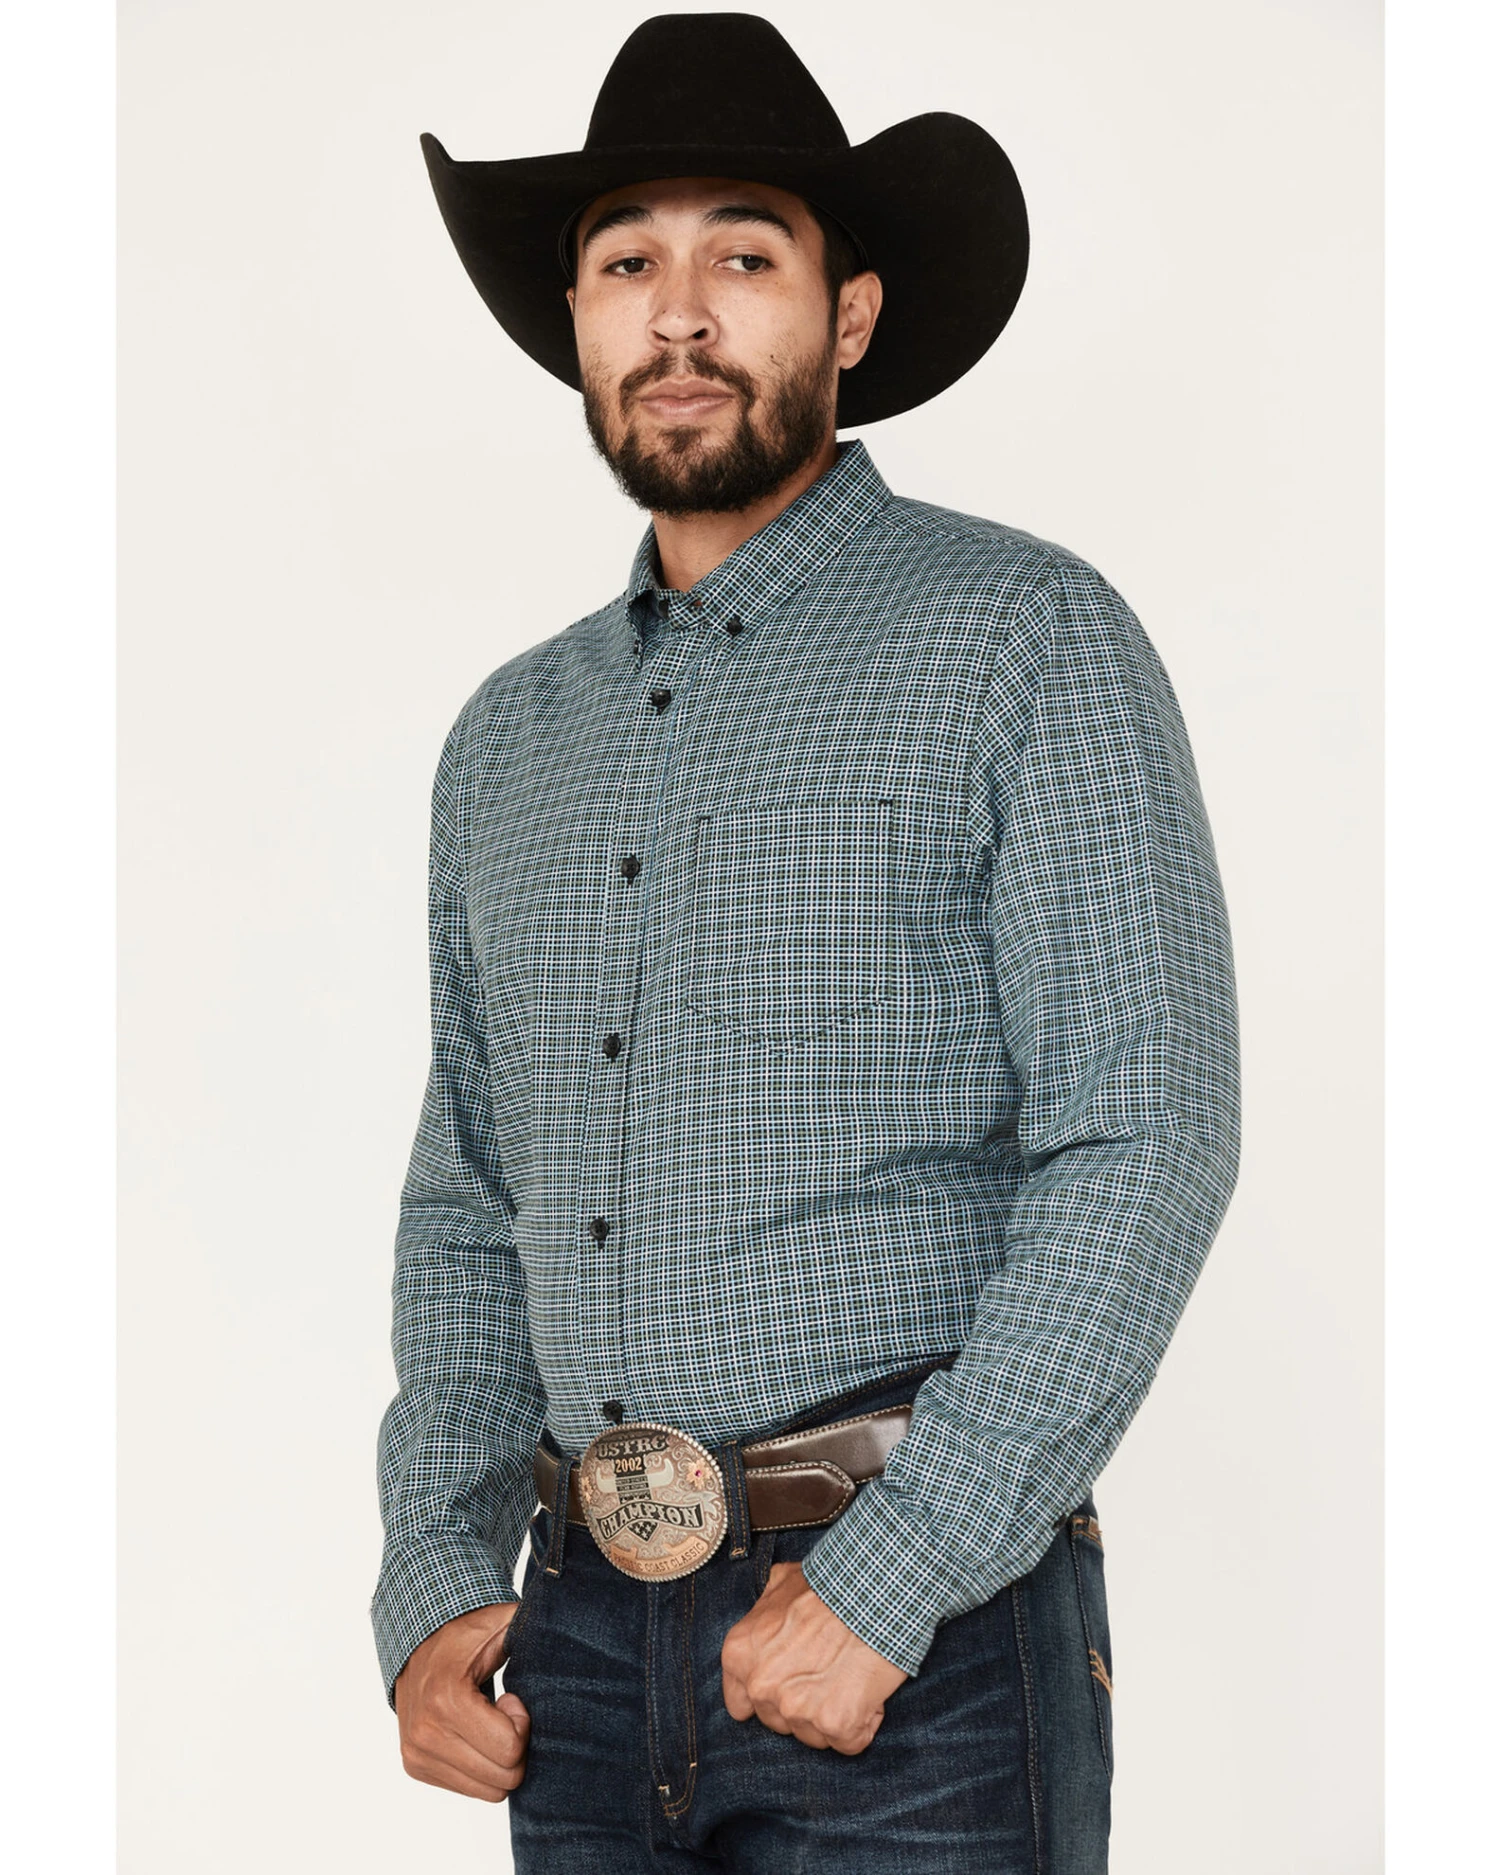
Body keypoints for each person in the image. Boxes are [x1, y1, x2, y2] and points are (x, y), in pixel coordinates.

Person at [372, 14, 1241, 1872]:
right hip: (571, 1665)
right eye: (629, 264)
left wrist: (890, 1579)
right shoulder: (504, 743)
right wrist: (436, 1576)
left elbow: (1146, 1132)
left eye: (744, 257)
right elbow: (468, 1197)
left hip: (918, 1650)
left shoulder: (1024, 638)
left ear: (848, 314)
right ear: (578, 321)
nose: (680, 317)